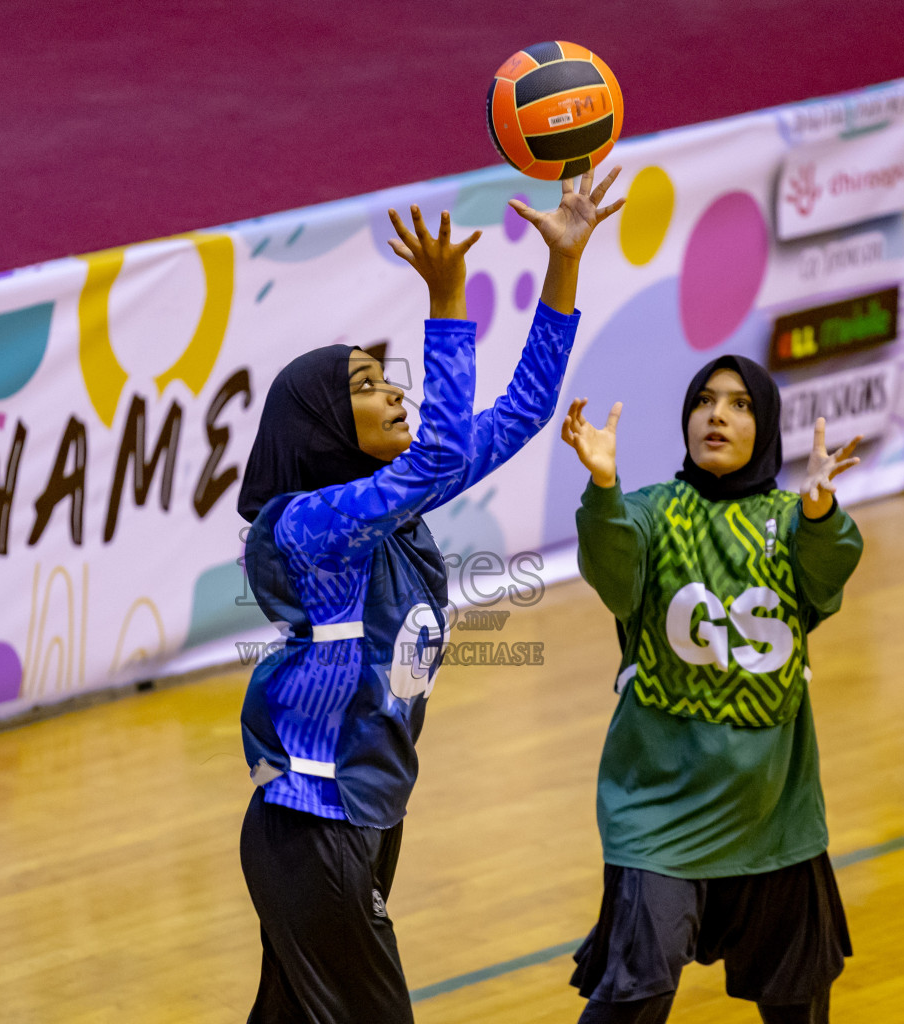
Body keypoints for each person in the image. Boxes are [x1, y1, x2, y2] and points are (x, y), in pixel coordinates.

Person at [235, 168, 624, 1024]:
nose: (396, 392)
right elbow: (444, 455)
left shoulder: (392, 513)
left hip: (366, 811)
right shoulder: (309, 525)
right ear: (323, 428)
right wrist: (448, 298)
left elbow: (522, 411)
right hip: (313, 822)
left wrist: (563, 264)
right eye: (369, 385)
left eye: (389, 378)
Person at [560, 356, 865, 1024]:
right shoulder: (652, 513)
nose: (717, 414)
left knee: (798, 998)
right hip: (661, 815)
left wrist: (819, 513)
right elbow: (613, 570)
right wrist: (604, 488)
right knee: (635, 996)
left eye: (739, 404)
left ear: (768, 427)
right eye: (704, 401)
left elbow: (830, 568)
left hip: (775, 817)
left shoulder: (792, 522)